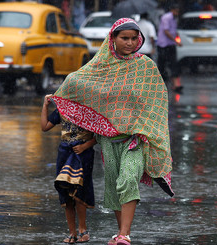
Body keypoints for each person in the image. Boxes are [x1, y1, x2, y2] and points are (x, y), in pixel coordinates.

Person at [51, 18, 174, 245]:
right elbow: (77, 82)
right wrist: (60, 96)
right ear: (113, 39)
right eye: (124, 38)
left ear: (140, 39)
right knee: (115, 187)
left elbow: (157, 101)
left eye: (133, 38)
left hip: (136, 138)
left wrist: (144, 127)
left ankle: (125, 235)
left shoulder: (146, 67)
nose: (129, 42)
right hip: (109, 139)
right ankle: (121, 233)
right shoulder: (100, 66)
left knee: (128, 178)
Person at [41, 94, 96, 244]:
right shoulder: (62, 110)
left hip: (83, 155)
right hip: (65, 153)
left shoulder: (90, 110)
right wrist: (45, 105)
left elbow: (102, 134)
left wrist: (85, 145)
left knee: (80, 190)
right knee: (65, 191)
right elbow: (45, 127)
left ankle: (83, 230)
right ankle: (72, 233)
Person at [156, 3, 183, 93]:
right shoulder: (166, 18)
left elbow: (173, 30)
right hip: (163, 44)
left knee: (173, 64)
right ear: (172, 10)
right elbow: (166, 31)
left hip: (170, 44)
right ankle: (162, 84)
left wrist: (176, 38)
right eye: (176, 11)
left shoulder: (175, 18)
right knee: (162, 65)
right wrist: (176, 40)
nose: (177, 13)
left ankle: (175, 84)